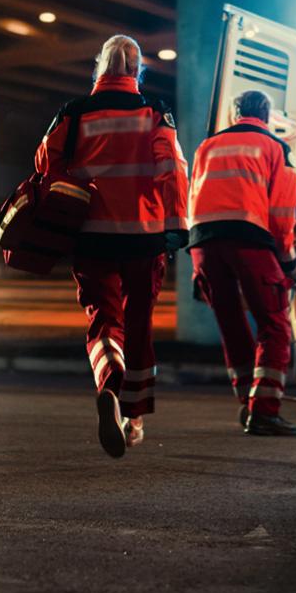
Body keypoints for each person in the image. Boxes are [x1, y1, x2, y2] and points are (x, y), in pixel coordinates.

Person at [34, 34, 188, 458]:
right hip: (144, 236)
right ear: (137, 70)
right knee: (139, 325)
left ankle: (108, 385)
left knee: (104, 320)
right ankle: (133, 417)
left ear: (99, 67)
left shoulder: (74, 112)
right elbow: (172, 169)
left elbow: (45, 162)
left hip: (90, 235)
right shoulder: (153, 111)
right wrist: (177, 225)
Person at [188, 90, 296, 436]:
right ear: (267, 116)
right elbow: (281, 213)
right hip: (249, 239)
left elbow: (193, 196)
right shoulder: (276, 147)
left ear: (234, 114)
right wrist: (288, 261)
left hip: (203, 242)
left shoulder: (207, 146)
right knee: (274, 324)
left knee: (231, 323)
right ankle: (264, 411)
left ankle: (247, 402)